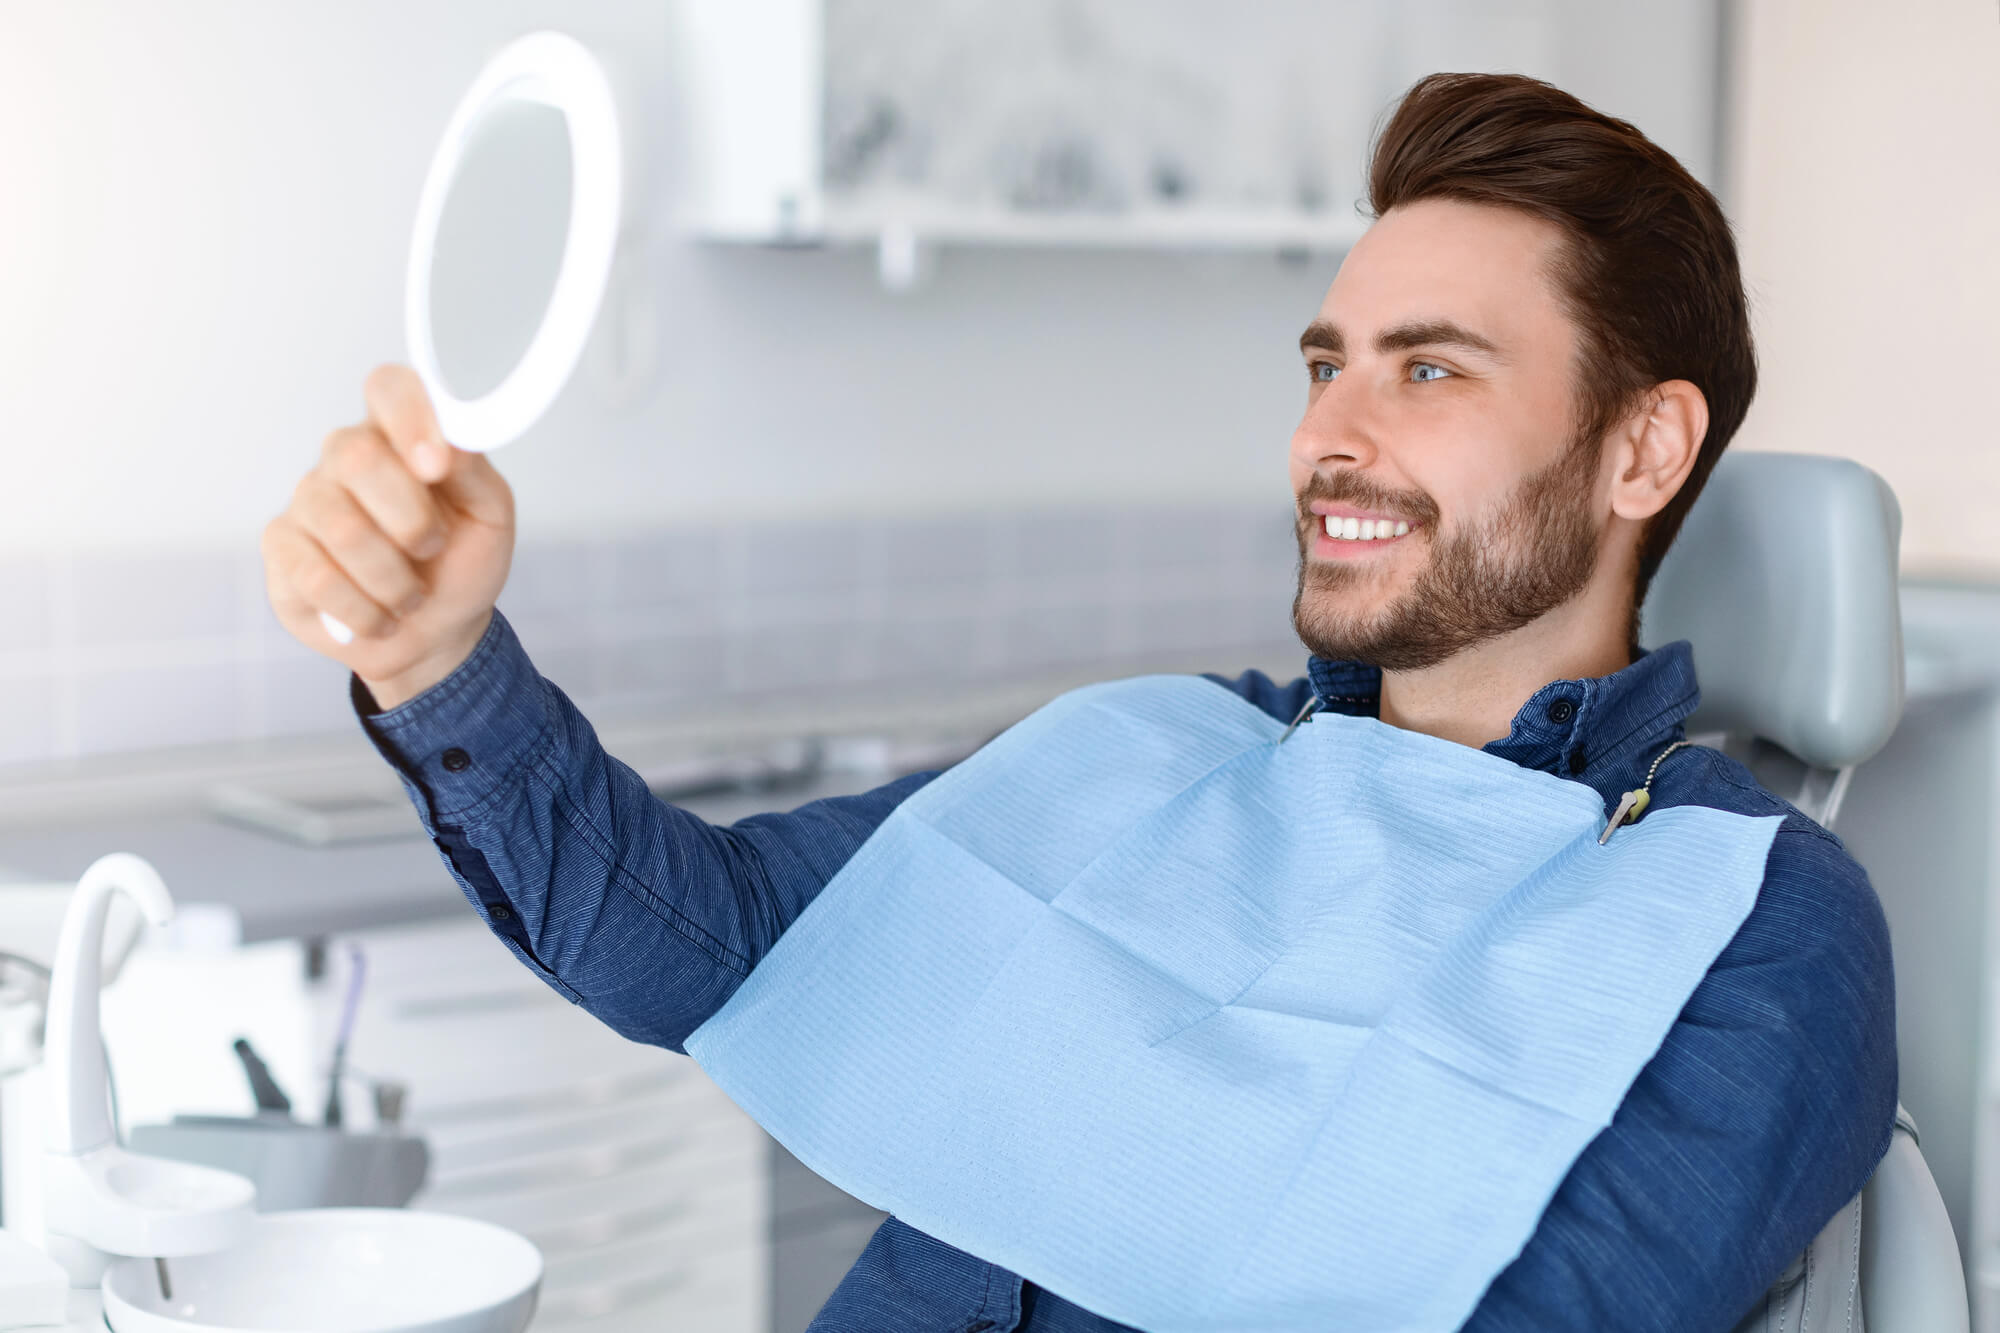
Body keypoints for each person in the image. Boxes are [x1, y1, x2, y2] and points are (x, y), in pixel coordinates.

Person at [260, 72, 1895, 1332]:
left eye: (1433, 368)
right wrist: (432, 652)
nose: (1332, 433)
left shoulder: (1750, 918)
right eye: (1328, 363)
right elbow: (700, 937)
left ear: (1645, 451)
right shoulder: (1158, 755)